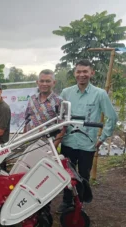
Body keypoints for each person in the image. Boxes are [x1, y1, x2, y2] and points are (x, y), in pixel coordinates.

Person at [57, 59, 118, 213]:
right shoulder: (66, 92)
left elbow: (112, 117)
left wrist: (102, 138)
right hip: (68, 141)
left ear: (92, 73)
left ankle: (79, 205)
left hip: (87, 144)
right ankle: (66, 202)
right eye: (79, 71)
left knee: (83, 175)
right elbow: (61, 117)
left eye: (85, 71)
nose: (82, 75)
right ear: (74, 73)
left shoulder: (100, 94)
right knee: (67, 173)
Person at [24, 69, 63, 148]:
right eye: (42, 81)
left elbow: (63, 128)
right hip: (30, 144)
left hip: (47, 145)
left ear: (54, 83)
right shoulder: (32, 99)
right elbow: (26, 121)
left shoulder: (59, 101)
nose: (44, 84)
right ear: (37, 82)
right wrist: (23, 143)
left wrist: (53, 148)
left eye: (48, 81)